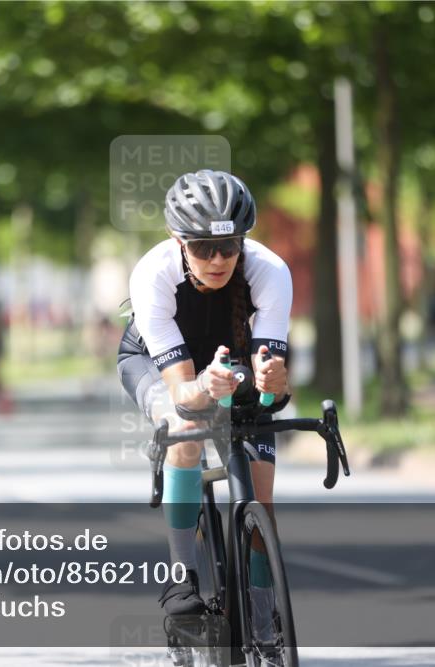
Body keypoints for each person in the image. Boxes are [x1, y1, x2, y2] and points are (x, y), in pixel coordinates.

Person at [117, 170, 291, 620]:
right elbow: (182, 393)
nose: (218, 259)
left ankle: (263, 616)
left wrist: (274, 387)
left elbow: (270, 388)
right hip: (156, 366)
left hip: (230, 360)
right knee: (188, 426)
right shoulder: (153, 274)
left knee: (261, 492)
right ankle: (182, 579)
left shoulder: (269, 271)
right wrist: (204, 388)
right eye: (202, 248)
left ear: (243, 243)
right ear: (179, 243)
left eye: (229, 246)